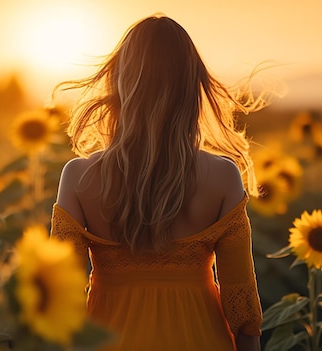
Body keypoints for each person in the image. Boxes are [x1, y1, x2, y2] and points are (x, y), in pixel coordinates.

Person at [50, 13, 267, 351]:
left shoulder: (78, 178)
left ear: (119, 82)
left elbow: (61, 302)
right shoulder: (223, 177)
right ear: (192, 88)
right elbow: (244, 312)